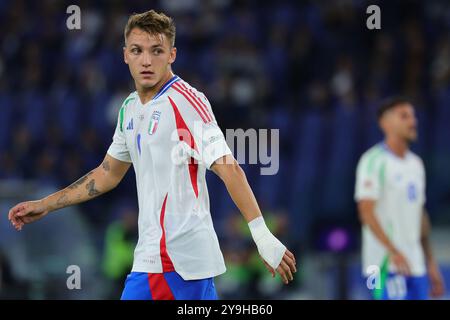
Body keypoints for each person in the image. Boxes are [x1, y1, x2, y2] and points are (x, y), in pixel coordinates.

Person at [7, 10, 296, 300]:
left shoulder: (186, 102)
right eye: (137, 50)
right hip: (150, 259)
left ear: (172, 54)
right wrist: (46, 204)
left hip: (180, 261)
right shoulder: (129, 108)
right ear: (125, 55)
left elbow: (229, 168)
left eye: (156, 51)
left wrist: (261, 235)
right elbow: (107, 174)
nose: (146, 60)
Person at [355, 97, 445, 300]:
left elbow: (419, 216)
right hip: (383, 266)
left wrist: (431, 263)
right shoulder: (373, 161)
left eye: (413, 116)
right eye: (404, 116)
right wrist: (393, 250)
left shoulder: (416, 164)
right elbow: (366, 212)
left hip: (415, 265)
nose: (413, 121)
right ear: (385, 124)